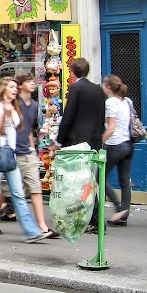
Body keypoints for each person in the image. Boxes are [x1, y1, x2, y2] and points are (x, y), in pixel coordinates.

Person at [0, 77, 51, 243]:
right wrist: (7, 109)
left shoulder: (14, 106)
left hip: (10, 154)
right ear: (4, 89)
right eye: (11, 87)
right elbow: (1, 128)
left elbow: (20, 129)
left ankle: (31, 231)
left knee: (18, 194)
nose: (15, 90)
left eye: (16, 87)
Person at [56, 58, 106, 234]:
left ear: (72, 72)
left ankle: (89, 218)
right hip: (93, 140)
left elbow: (68, 116)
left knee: (77, 181)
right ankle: (93, 218)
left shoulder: (76, 88)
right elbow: (101, 118)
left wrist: (59, 140)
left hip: (77, 141)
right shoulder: (98, 90)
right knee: (89, 180)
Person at [101, 75, 134, 227]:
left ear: (108, 87)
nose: (102, 86)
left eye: (104, 84)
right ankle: (124, 215)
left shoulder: (111, 102)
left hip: (115, 145)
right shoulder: (127, 101)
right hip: (128, 144)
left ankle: (119, 208)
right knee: (124, 181)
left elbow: (112, 127)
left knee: (99, 176)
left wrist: (100, 141)